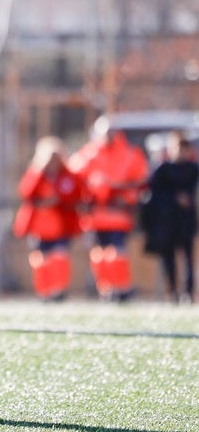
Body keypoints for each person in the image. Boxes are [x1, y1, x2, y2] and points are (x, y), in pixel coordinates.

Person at [68, 119, 149, 302]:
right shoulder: (89, 154)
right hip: (95, 214)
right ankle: (106, 288)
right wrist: (89, 194)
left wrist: (124, 193)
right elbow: (75, 178)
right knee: (100, 254)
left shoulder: (129, 154)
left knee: (117, 252)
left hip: (119, 213)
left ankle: (121, 287)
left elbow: (141, 181)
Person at [12, 136, 84, 302]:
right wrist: (40, 173)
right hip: (40, 226)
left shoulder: (67, 176)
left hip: (61, 225)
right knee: (41, 260)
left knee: (59, 257)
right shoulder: (36, 174)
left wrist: (59, 199)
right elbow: (26, 192)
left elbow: (76, 194)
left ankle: (58, 290)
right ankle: (44, 290)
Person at [141, 131, 198, 303]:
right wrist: (175, 198)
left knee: (188, 258)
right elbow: (153, 194)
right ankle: (172, 291)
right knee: (169, 259)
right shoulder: (163, 170)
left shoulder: (194, 169)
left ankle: (188, 292)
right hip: (167, 221)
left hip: (186, 220)